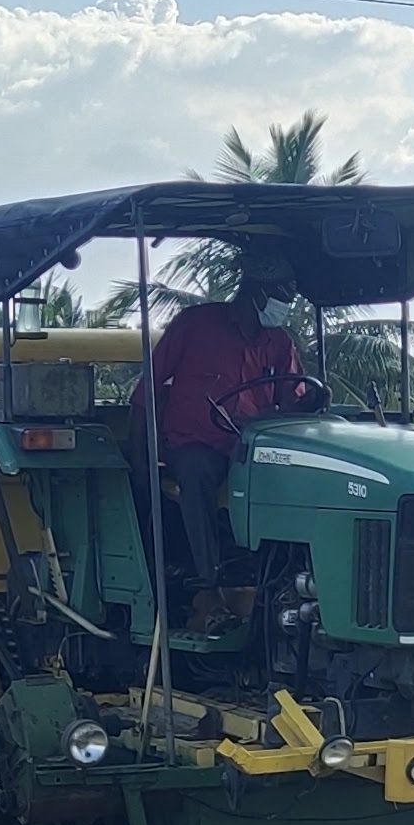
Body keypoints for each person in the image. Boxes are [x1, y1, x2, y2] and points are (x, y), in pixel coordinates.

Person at [143, 256, 307, 609]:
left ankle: (282, 575)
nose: (285, 307)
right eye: (281, 297)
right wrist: (140, 455)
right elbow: (147, 391)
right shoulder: (195, 326)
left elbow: (292, 399)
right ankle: (207, 578)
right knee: (198, 472)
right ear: (256, 294)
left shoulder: (279, 342)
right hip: (194, 443)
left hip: (248, 448)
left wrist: (309, 404)